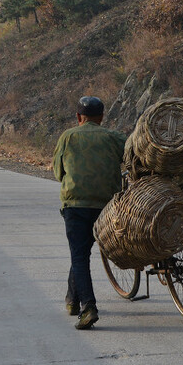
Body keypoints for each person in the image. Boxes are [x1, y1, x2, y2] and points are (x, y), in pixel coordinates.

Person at [52, 95, 126, 330]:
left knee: (79, 254)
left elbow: (58, 173)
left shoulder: (68, 136)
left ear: (78, 117)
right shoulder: (114, 138)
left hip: (75, 207)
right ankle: (73, 300)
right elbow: (134, 158)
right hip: (107, 207)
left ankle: (88, 307)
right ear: (102, 117)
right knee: (80, 252)